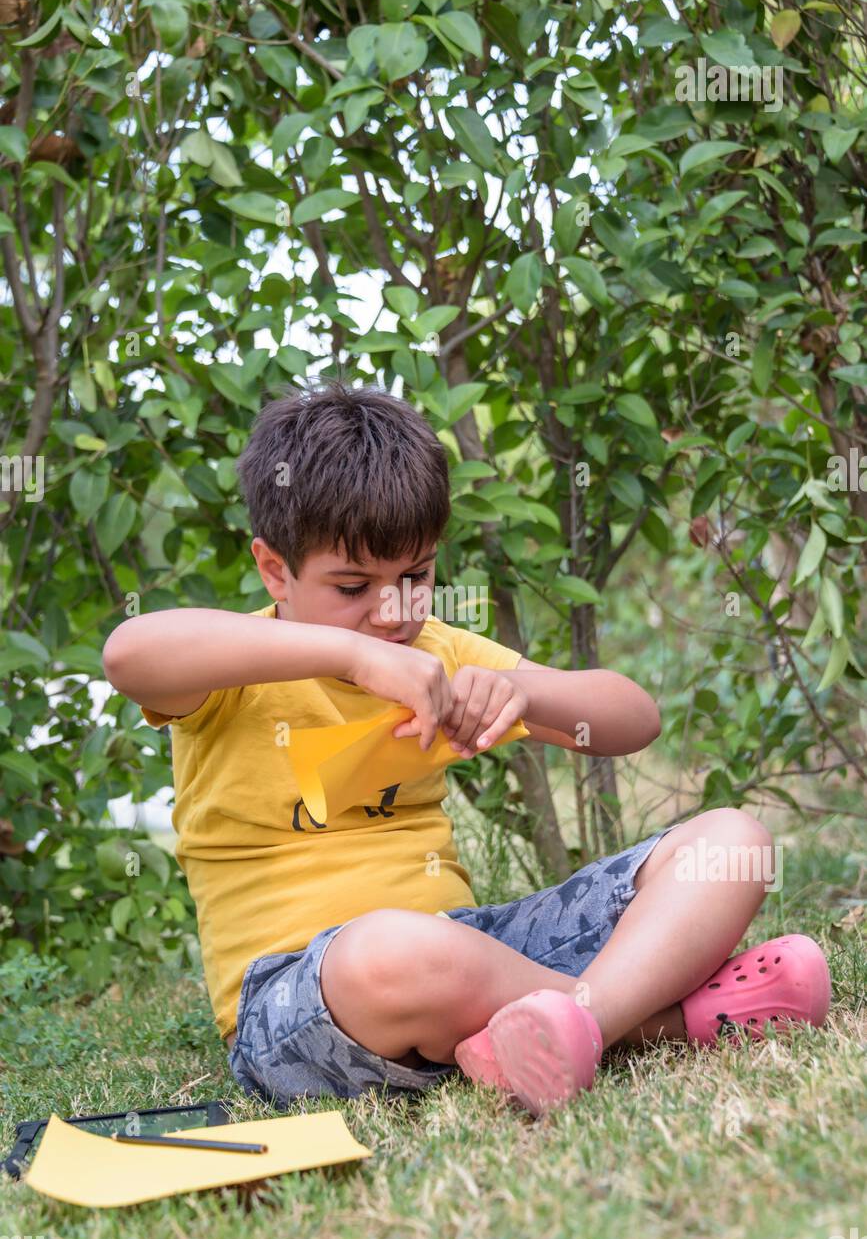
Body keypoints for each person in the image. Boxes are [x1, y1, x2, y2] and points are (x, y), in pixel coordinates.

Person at [101, 380, 831, 1117]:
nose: (391, 613)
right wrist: (349, 659)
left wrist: (525, 696)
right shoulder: (239, 664)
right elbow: (130, 654)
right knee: (392, 950)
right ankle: (668, 1023)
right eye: (353, 586)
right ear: (273, 570)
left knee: (732, 840)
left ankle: (562, 1025)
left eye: (414, 577)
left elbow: (632, 719)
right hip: (305, 998)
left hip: (467, 950)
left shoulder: (441, 649)